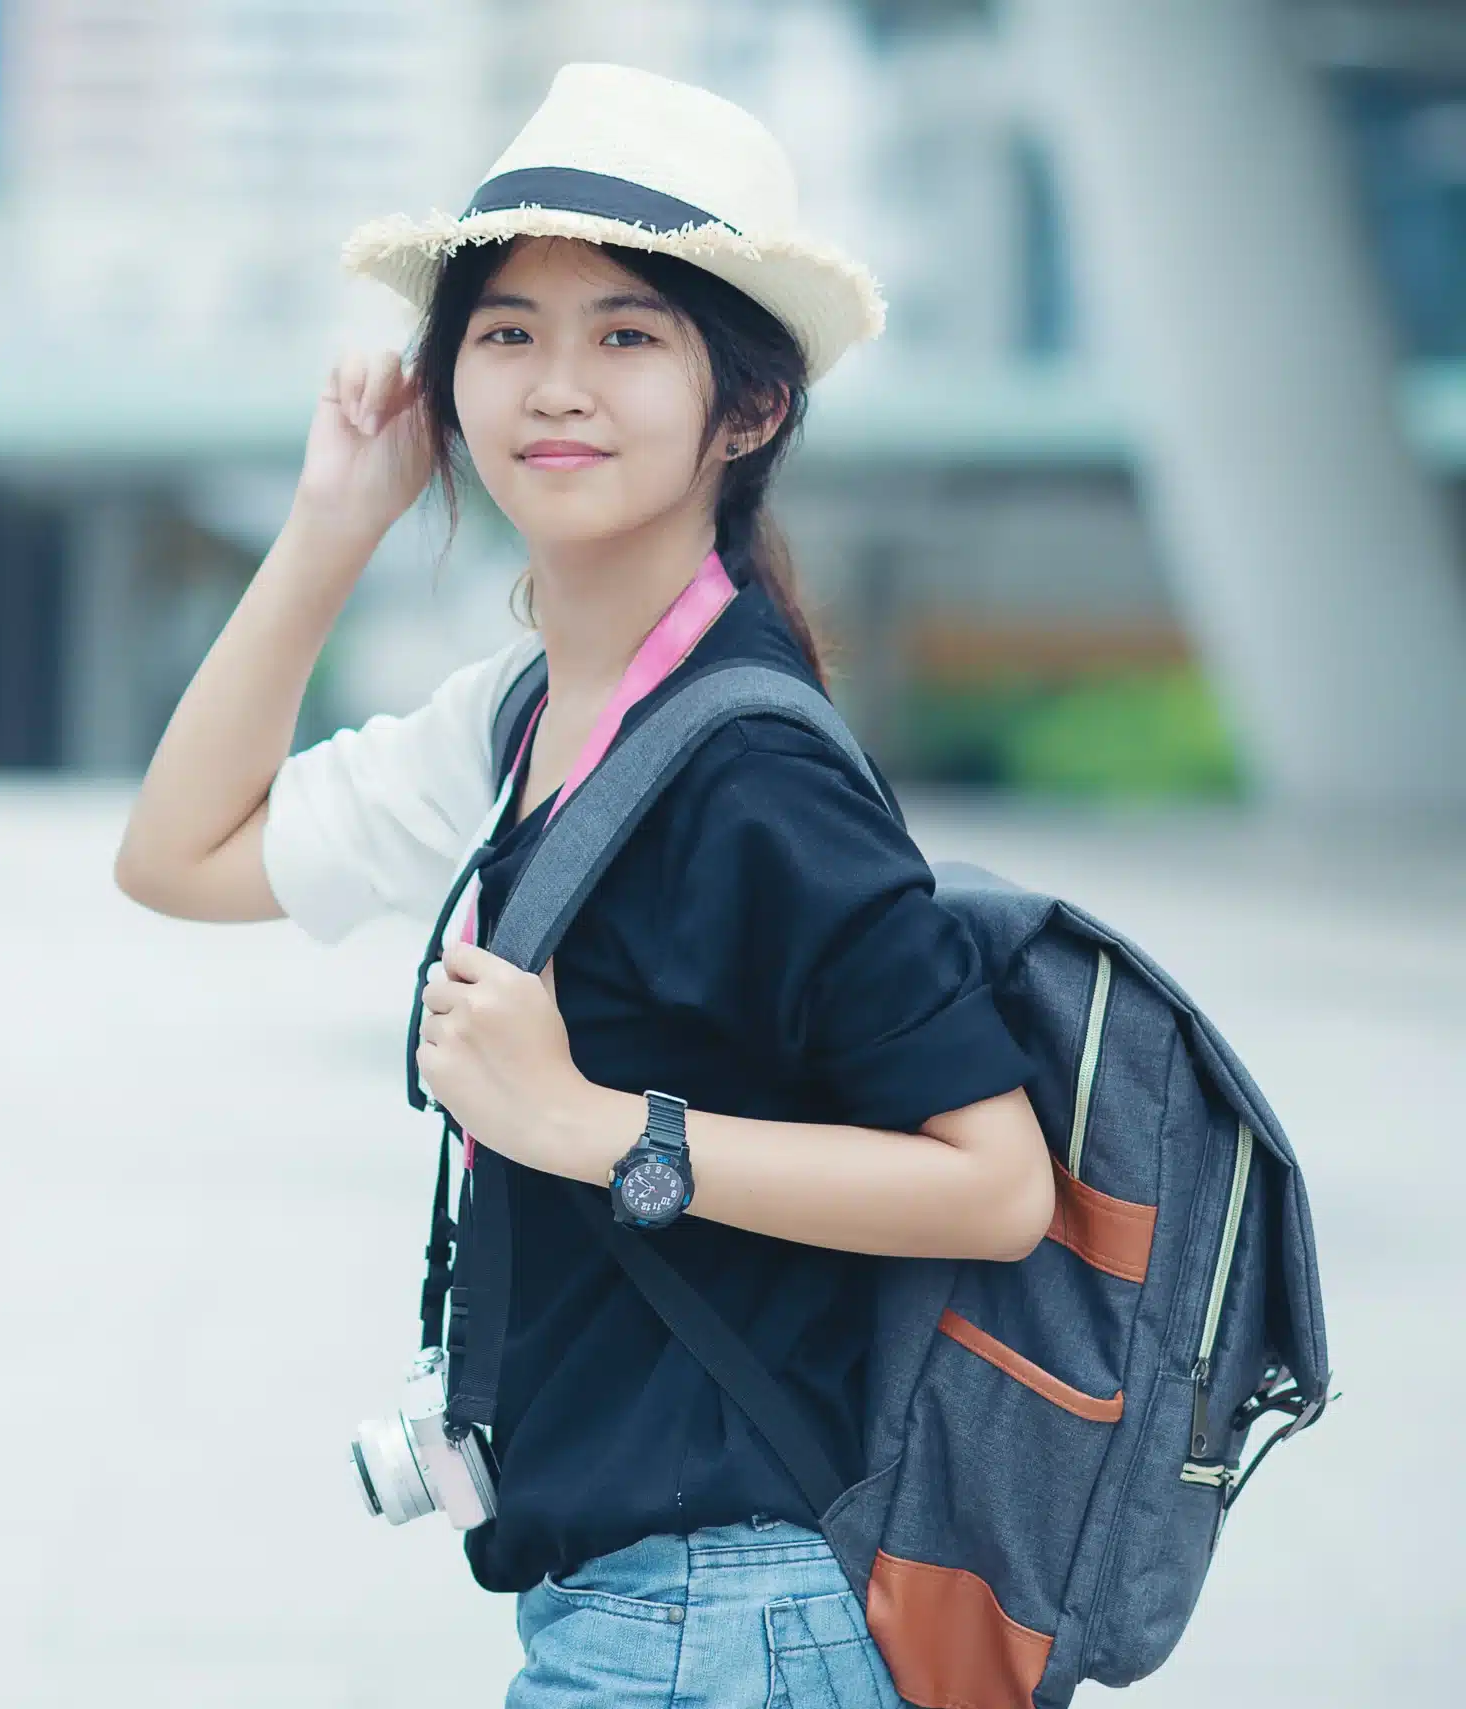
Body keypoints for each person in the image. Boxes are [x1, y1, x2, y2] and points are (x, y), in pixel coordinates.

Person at [115, 64, 1053, 1708]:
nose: (557, 384)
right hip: (647, 1607)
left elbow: (994, 1183)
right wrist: (334, 529)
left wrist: (590, 1127)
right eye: (506, 333)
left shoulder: (756, 774)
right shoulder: (529, 715)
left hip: (722, 1615)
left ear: (745, 407)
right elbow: (179, 858)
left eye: (627, 336)